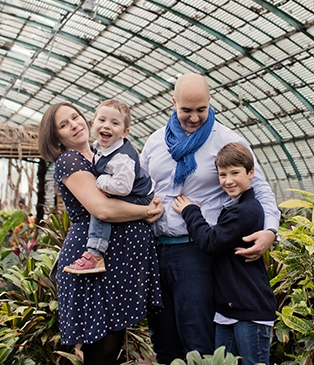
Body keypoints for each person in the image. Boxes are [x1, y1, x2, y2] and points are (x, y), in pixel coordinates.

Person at [141, 72, 280, 364]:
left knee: (198, 340)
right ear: (174, 102)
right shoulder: (155, 142)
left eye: (201, 110)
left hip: (196, 251)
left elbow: (261, 188)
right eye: (186, 110)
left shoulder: (226, 140)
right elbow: (140, 187)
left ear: (210, 102)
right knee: (163, 338)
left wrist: (270, 231)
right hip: (156, 249)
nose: (193, 118)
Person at [38, 102, 163, 365]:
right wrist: (146, 212)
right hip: (93, 262)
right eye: (63, 125)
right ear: (56, 137)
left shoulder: (101, 152)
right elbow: (102, 209)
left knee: (112, 342)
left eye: (75, 117)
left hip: (115, 262)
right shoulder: (70, 160)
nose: (74, 124)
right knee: (101, 347)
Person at [172, 142, 276, 365]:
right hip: (228, 309)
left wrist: (190, 212)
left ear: (251, 173)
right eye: (222, 174)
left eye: (235, 173)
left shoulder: (247, 210)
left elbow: (210, 242)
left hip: (250, 309)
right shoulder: (233, 208)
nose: (228, 180)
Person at [64, 99, 154, 275]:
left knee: (102, 207)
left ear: (124, 132)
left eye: (115, 123)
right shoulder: (98, 146)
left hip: (139, 195)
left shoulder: (122, 158)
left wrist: (101, 182)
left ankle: (95, 253)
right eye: (102, 120)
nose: (107, 126)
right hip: (134, 190)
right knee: (102, 204)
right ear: (93, 124)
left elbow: (123, 188)